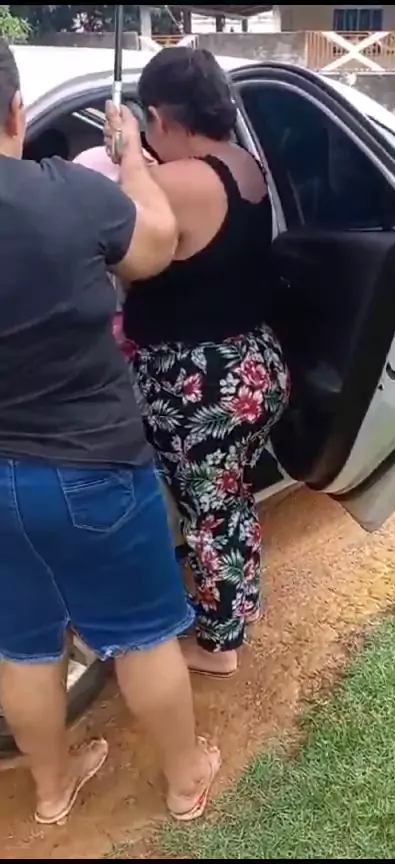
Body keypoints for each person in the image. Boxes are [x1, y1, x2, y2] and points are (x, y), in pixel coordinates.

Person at [0, 40, 220, 825]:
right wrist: (128, 156)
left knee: (23, 644)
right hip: (91, 463)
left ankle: (53, 790)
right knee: (143, 635)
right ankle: (185, 781)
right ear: (17, 110)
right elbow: (155, 245)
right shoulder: (66, 192)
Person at [117, 47, 291, 680]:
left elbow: (124, 244)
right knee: (228, 500)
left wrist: (127, 157)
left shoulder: (176, 182)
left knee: (209, 512)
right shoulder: (242, 163)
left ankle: (219, 646)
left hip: (199, 385)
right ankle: (235, 609)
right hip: (251, 365)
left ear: (159, 117)